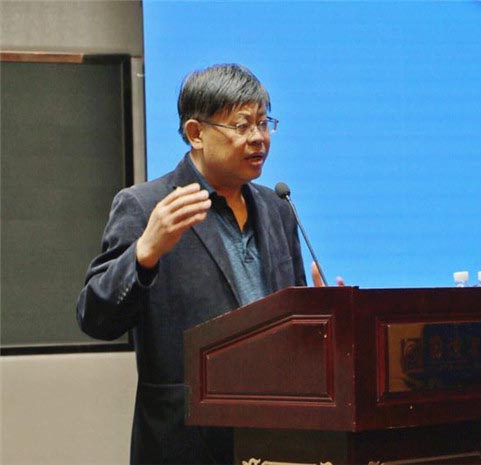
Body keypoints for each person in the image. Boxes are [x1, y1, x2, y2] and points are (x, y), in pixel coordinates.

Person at [77, 64, 339, 464]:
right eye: (242, 125)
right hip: (188, 442)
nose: (259, 138)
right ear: (196, 133)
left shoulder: (277, 207)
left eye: (264, 123)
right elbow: (96, 319)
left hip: (278, 440)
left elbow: (292, 331)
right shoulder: (146, 206)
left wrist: (325, 317)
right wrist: (144, 254)